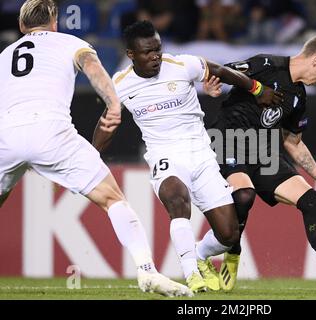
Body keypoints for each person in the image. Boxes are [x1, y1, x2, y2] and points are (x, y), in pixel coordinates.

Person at [0, 0, 191, 298]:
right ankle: (147, 272)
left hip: (6, 134)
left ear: (23, 26)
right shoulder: (72, 43)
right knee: (113, 199)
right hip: (51, 131)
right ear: (54, 22)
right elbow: (93, 67)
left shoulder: (4, 54)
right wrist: (114, 103)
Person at [91, 21, 282, 293]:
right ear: (131, 54)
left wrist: (257, 89)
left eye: (157, 49)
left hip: (201, 155)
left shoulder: (182, 65)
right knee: (177, 199)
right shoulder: (119, 83)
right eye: (148, 52)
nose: (155, 56)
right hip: (164, 155)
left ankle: (200, 254)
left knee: (228, 235)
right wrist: (91, 156)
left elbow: (219, 71)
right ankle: (192, 274)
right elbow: (107, 122)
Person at [204, 35, 316, 291]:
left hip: (263, 154)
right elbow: (222, 70)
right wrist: (211, 85)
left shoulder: (299, 96)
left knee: (311, 200)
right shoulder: (266, 64)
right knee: (244, 196)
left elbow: (293, 142)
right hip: (227, 142)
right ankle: (232, 249)